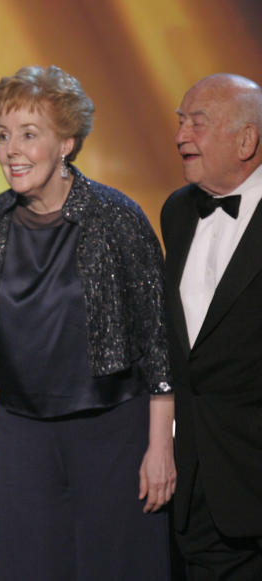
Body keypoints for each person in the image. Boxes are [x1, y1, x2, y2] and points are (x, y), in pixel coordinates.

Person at [0, 65, 175, 580]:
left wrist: (161, 447)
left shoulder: (116, 216)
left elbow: (157, 346)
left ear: (67, 143)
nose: (12, 149)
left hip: (112, 433)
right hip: (22, 439)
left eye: (29, 135)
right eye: (3, 135)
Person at [162, 73, 262, 580]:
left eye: (197, 124)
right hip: (197, 482)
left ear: (247, 139)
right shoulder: (177, 211)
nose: (181, 136)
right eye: (181, 122)